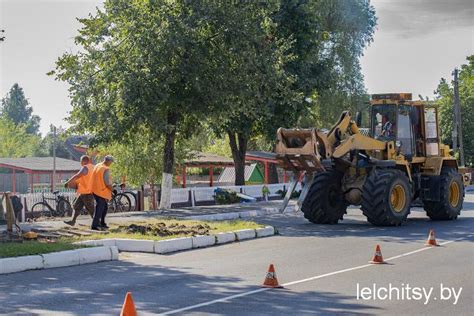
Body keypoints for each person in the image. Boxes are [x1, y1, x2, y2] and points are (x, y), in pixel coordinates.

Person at [64, 155, 95, 226]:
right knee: (76, 206)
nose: (80, 163)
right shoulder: (93, 167)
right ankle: (73, 221)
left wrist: (68, 182)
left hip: (87, 192)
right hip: (84, 192)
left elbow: (77, 175)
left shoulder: (85, 167)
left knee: (91, 209)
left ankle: (97, 223)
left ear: (84, 161)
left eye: (81, 161)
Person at [91, 155, 114, 230]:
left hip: (94, 189)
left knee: (104, 207)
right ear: (108, 161)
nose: (111, 163)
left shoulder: (98, 165)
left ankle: (102, 223)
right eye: (111, 162)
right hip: (101, 191)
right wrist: (113, 190)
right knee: (100, 208)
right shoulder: (105, 169)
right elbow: (107, 183)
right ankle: (94, 225)